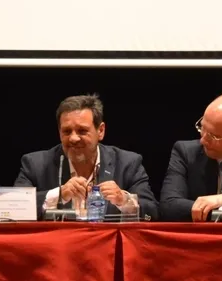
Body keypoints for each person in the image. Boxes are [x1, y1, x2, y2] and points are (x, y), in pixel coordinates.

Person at [14, 94, 158, 220]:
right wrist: (58, 195)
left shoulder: (127, 163)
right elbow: (13, 209)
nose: (73, 138)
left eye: (82, 131)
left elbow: (152, 213)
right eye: (67, 131)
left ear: (100, 131)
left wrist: (124, 200)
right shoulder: (35, 165)